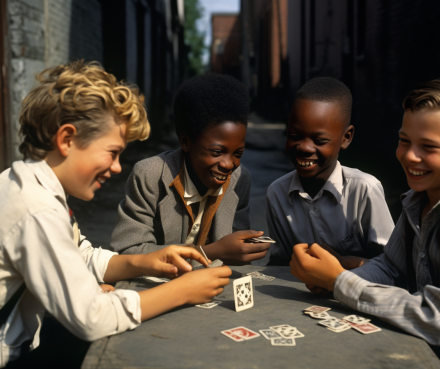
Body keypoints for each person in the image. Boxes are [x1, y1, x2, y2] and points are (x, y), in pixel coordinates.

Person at [0, 61, 231, 368]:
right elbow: (91, 317)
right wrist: (182, 291)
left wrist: (143, 262)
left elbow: (76, 252)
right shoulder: (37, 209)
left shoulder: (28, 183)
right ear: (67, 139)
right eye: (112, 152)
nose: (118, 167)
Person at [290, 76, 440, 368]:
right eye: (404, 141)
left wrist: (340, 282)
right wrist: (331, 277)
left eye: (429, 146)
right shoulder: (417, 199)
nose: (410, 156)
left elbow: (438, 318)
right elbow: (390, 266)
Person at [110, 73, 270, 265]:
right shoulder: (149, 175)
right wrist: (210, 251)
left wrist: (243, 252)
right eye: (217, 152)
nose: (229, 165)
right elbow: (128, 252)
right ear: (185, 142)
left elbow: (237, 262)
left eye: (238, 153)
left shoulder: (240, 178)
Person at [266, 77, 394, 269]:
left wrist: (340, 266)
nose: (305, 147)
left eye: (320, 141)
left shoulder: (364, 190)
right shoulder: (277, 194)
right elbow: (281, 263)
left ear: (346, 138)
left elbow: (392, 268)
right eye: (295, 136)